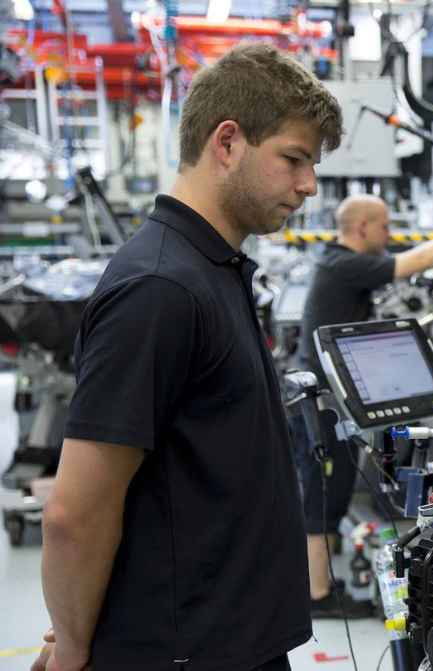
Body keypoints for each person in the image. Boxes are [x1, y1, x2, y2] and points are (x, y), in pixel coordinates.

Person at [34, 43, 341, 671]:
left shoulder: (212, 268)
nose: (308, 185)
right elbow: (74, 514)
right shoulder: (160, 288)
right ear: (227, 142)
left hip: (233, 642)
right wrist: (72, 648)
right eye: (293, 159)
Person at [294, 194, 433, 617]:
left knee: (332, 494)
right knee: (323, 498)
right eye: (384, 226)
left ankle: (321, 585)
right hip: (323, 405)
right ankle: (317, 596)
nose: (389, 234)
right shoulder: (343, 265)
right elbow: (412, 262)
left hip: (334, 401)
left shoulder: (341, 262)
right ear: (362, 227)